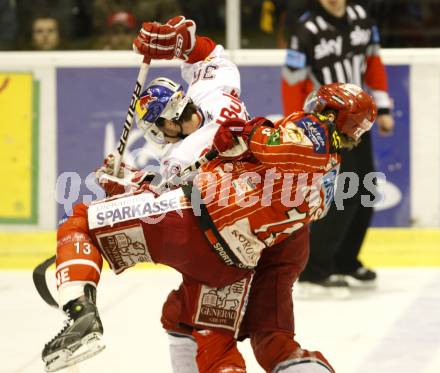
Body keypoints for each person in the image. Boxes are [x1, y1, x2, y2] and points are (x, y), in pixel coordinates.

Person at [41, 40, 377, 368]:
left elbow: (175, 203)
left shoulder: (311, 132)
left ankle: (80, 316)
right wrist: (182, 42)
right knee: (216, 336)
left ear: (166, 122)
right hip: (238, 258)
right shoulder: (221, 101)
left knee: (83, 220)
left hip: (203, 222)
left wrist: (249, 133)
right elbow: (213, 56)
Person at [281, 0, 394, 296]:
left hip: (359, 121)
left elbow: (374, 63)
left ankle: (345, 261)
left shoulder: (361, 18)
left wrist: (382, 107)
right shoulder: (305, 28)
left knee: (365, 191)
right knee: (341, 195)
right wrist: (298, 128)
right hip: (326, 127)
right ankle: (315, 270)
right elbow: (292, 82)